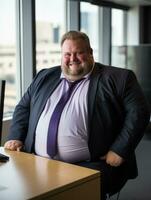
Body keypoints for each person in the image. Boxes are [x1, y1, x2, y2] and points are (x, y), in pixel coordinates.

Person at [4, 30, 150, 199]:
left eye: (79, 53)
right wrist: (16, 136)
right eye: (67, 54)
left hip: (89, 166)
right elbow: (23, 107)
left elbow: (139, 113)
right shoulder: (44, 76)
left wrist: (120, 150)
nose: (72, 58)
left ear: (90, 53)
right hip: (38, 162)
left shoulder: (119, 78)